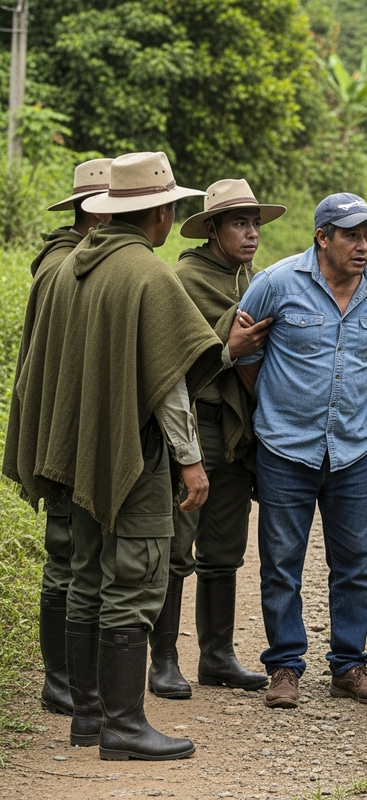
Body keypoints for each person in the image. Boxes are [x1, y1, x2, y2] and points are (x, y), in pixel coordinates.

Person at [3, 151, 235, 761]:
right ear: (159, 212)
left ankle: (88, 717)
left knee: (86, 577)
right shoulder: (148, 274)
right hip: (134, 452)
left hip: (82, 451)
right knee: (134, 578)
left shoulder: (74, 264)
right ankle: (125, 726)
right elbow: (171, 382)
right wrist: (190, 459)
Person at [234, 192, 367, 709]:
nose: (363, 245)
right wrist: (276, 402)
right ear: (322, 237)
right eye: (351, 235)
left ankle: (349, 667)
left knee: (355, 564)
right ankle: (285, 667)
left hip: (349, 450)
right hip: (285, 449)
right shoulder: (277, 283)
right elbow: (244, 353)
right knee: (282, 563)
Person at [147, 179, 283, 699]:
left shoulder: (254, 280)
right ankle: (163, 660)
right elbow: (169, 364)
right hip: (195, 424)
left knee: (224, 548)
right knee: (177, 546)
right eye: (239, 223)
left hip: (236, 430)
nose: (251, 233)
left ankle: (217, 656)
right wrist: (230, 349)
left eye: (255, 224)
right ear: (211, 228)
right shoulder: (185, 279)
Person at [4, 158, 113, 718]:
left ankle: (75, 677)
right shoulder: (62, 265)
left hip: (73, 422)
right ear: (96, 212)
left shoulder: (76, 258)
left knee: (79, 555)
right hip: (64, 428)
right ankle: (59, 679)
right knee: (66, 553)